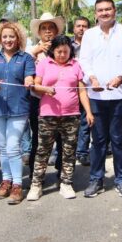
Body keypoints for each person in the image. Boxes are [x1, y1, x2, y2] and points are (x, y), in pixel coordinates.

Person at [80, 0, 122, 198]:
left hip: (119, 95)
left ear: (115, 11)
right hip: (96, 96)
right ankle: (96, 180)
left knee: (119, 140)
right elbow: (84, 62)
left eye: (108, 9)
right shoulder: (89, 35)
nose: (104, 13)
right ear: (95, 13)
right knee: (97, 141)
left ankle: (121, 179)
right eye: (100, 10)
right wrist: (92, 77)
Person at [27, 36, 95, 200]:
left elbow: (82, 91)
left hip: (71, 116)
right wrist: (45, 89)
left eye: (66, 51)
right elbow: (35, 87)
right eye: (59, 51)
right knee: (42, 151)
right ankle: (36, 185)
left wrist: (89, 112)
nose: (62, 54)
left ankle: (66, 183)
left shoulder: (76, 65)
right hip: (47, 116)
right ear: (53, 50)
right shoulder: (44, 64)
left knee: (69, 152)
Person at [0, 22, 36, 205]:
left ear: (18, 38)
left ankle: (18, 185)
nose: (8, 40)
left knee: (13, 147)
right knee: (4, 146)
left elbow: (30, 75)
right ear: (0, 38)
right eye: (5, 36)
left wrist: (29, 80)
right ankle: (6, 181)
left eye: (11, 36)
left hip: (18, 109)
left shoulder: (26, 58)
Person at [26, 13, 66, 171]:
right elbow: (22, 65)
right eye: (44, 28)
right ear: (39, 32)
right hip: (37, 99)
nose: (48, 31)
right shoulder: (31, 51)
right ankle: (34, 174)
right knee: (37, 138)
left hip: (60, 99)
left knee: (62, 138)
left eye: (51, 28)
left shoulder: (63, 49)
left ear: (56, 31)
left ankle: (61, 171)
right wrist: (35, 52)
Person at [71, 16, 92, 167]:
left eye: (84, 26)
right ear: (74, 28)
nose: (81, 28)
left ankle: (82, 152)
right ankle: (62, 152)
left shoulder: (93, 45)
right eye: (78, 26)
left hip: (88, 88)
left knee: (85, 122)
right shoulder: (67, 45)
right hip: (69, 89)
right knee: (67, 124)